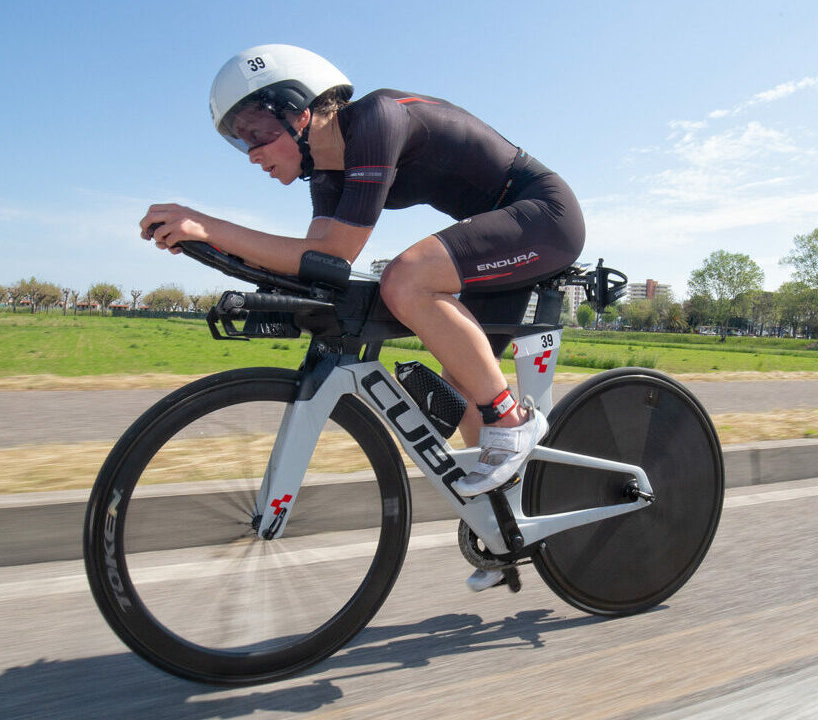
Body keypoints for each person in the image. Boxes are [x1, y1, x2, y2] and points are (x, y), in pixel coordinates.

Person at [138, 44, 585, 590]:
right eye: (239, 139)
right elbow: (317, 262)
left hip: (543, 215)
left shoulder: (375, 120)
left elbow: (340, 251)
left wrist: (207, 224)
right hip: (493, 231)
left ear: (298, 109)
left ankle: (513, 419)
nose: (250, 151)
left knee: (405, 279)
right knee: (462, 394)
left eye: (255, 129)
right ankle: (509, 527)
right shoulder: (325, 173)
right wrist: (209, 249)